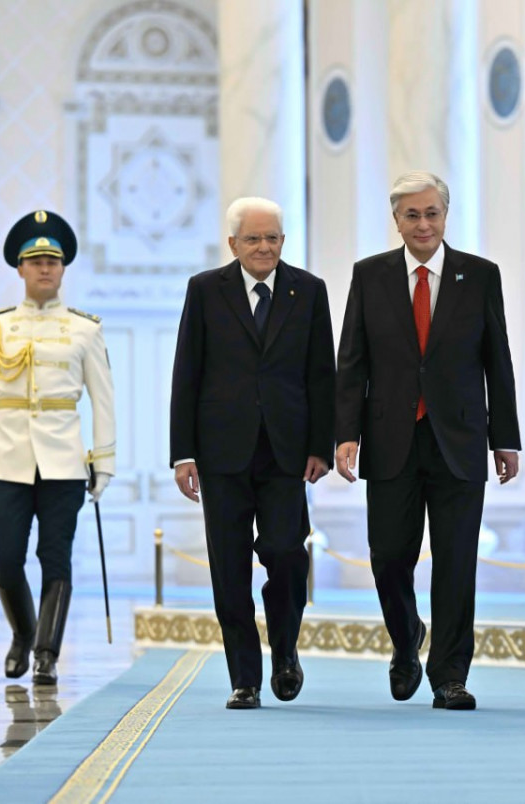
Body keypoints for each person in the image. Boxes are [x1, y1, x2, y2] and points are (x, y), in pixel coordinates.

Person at [335, 171, 521, 711]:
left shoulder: (479, 276)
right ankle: (406, 638)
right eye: (412, 215)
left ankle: (449, 676)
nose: (423, 224)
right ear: (396, 220)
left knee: (457, 560)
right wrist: (345, 433)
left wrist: (505, 438)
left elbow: (497, 360)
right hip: (389, 437)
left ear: (446, 215)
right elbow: (352, 360)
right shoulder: (370, 275)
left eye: (432, 213)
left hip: (458, 439)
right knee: (389, 556)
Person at [170, 197, 335, 710]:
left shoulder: (309, 290)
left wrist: (321, 446)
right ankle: (245, 678)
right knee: (229, 568)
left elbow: (321, 375)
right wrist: (182, 453)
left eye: (272, 238)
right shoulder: (205, 290)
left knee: (286, 554)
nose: (264, 247)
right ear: (233, 243)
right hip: (221, 453)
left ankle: (285, 651)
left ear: (283, 240)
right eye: (253, 239)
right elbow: (187, 372)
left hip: (287, 453)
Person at [0, 210, 116, 684]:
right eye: (36, 261)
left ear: (63, 269)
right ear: (20, 269)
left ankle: (47, 653)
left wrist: (104, 461)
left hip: (63, 459)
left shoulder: (85, 329)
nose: (45, 268)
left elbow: (103, 399)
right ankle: (24, 633)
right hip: (6, 458)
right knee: (6, 560)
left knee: (56, 557)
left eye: (53, 261)